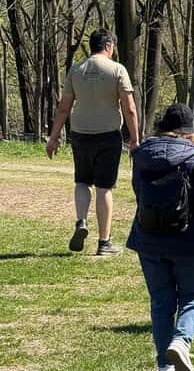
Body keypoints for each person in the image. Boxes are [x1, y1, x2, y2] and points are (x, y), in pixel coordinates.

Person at [126, 103, 194, 371]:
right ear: (190, 132)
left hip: (148, 239)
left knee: (161, 302)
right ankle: (182, 342)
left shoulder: (140, 156)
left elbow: (139, 194)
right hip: (188, 241)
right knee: (192, 297)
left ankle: (165, 370)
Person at [46, 28, 139, 256]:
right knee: (104, 188)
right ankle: (104, 243)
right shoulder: (117, 69)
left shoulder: (76, 70)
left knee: (82, 181)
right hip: (107, 135)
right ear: (109, 46)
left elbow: (63, 108)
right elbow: (129, 108)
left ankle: (81, 221)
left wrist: (54, 136)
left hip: (80, 133)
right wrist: (135, 139)